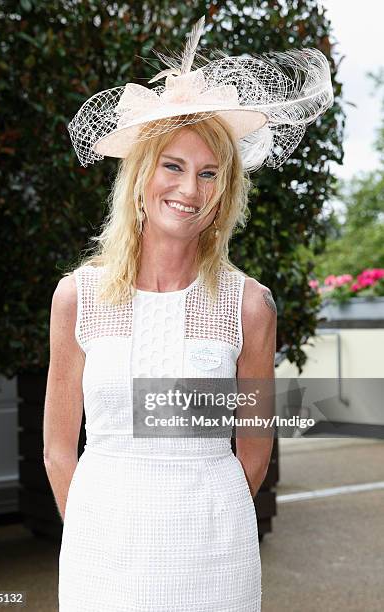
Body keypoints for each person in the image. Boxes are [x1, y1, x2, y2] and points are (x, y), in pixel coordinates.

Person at [43, 16, 333, 611]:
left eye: (209, 174)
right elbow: (56, 447)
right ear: (141, 177)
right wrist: (95, 532)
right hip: (101, 558)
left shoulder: (248, 306)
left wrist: (208, 522)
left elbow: (253, 451)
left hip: (211, 556)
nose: (190, 189)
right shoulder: (78, 296)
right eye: (173, 166)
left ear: (225, 192)